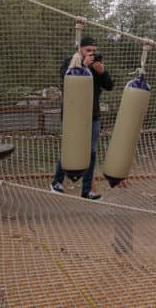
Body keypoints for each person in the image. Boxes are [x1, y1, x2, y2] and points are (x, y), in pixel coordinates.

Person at [50, 36, 114, 200]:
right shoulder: (70, 62)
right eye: (88, 51)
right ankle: (56, 182)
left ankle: (87, 190)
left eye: (94, 51)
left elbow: (109, 86)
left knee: (91, 151)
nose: (92, 54)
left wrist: (102, 72)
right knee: (71, 147)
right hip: (73, 115)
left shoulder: (96, 67)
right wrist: (82, 66)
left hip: (92, 115)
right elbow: (64, 77)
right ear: (80, 50)